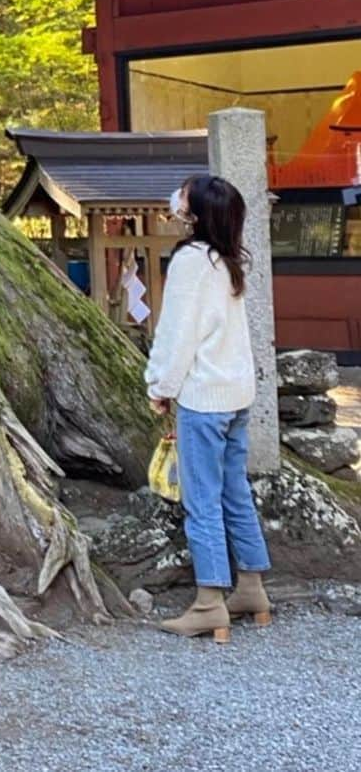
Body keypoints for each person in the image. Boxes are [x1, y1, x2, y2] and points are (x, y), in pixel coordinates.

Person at [145, 174, 272, 641]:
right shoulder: (227, 260)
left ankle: (209, 602)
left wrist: (160, 385)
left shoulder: (191, 262)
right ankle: (252, 587)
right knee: (234, 492)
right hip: (236, 394)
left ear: (194, 213)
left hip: (203, 398)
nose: (175, 197)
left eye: (182, 193)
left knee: (202, 500)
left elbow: (177, 334)